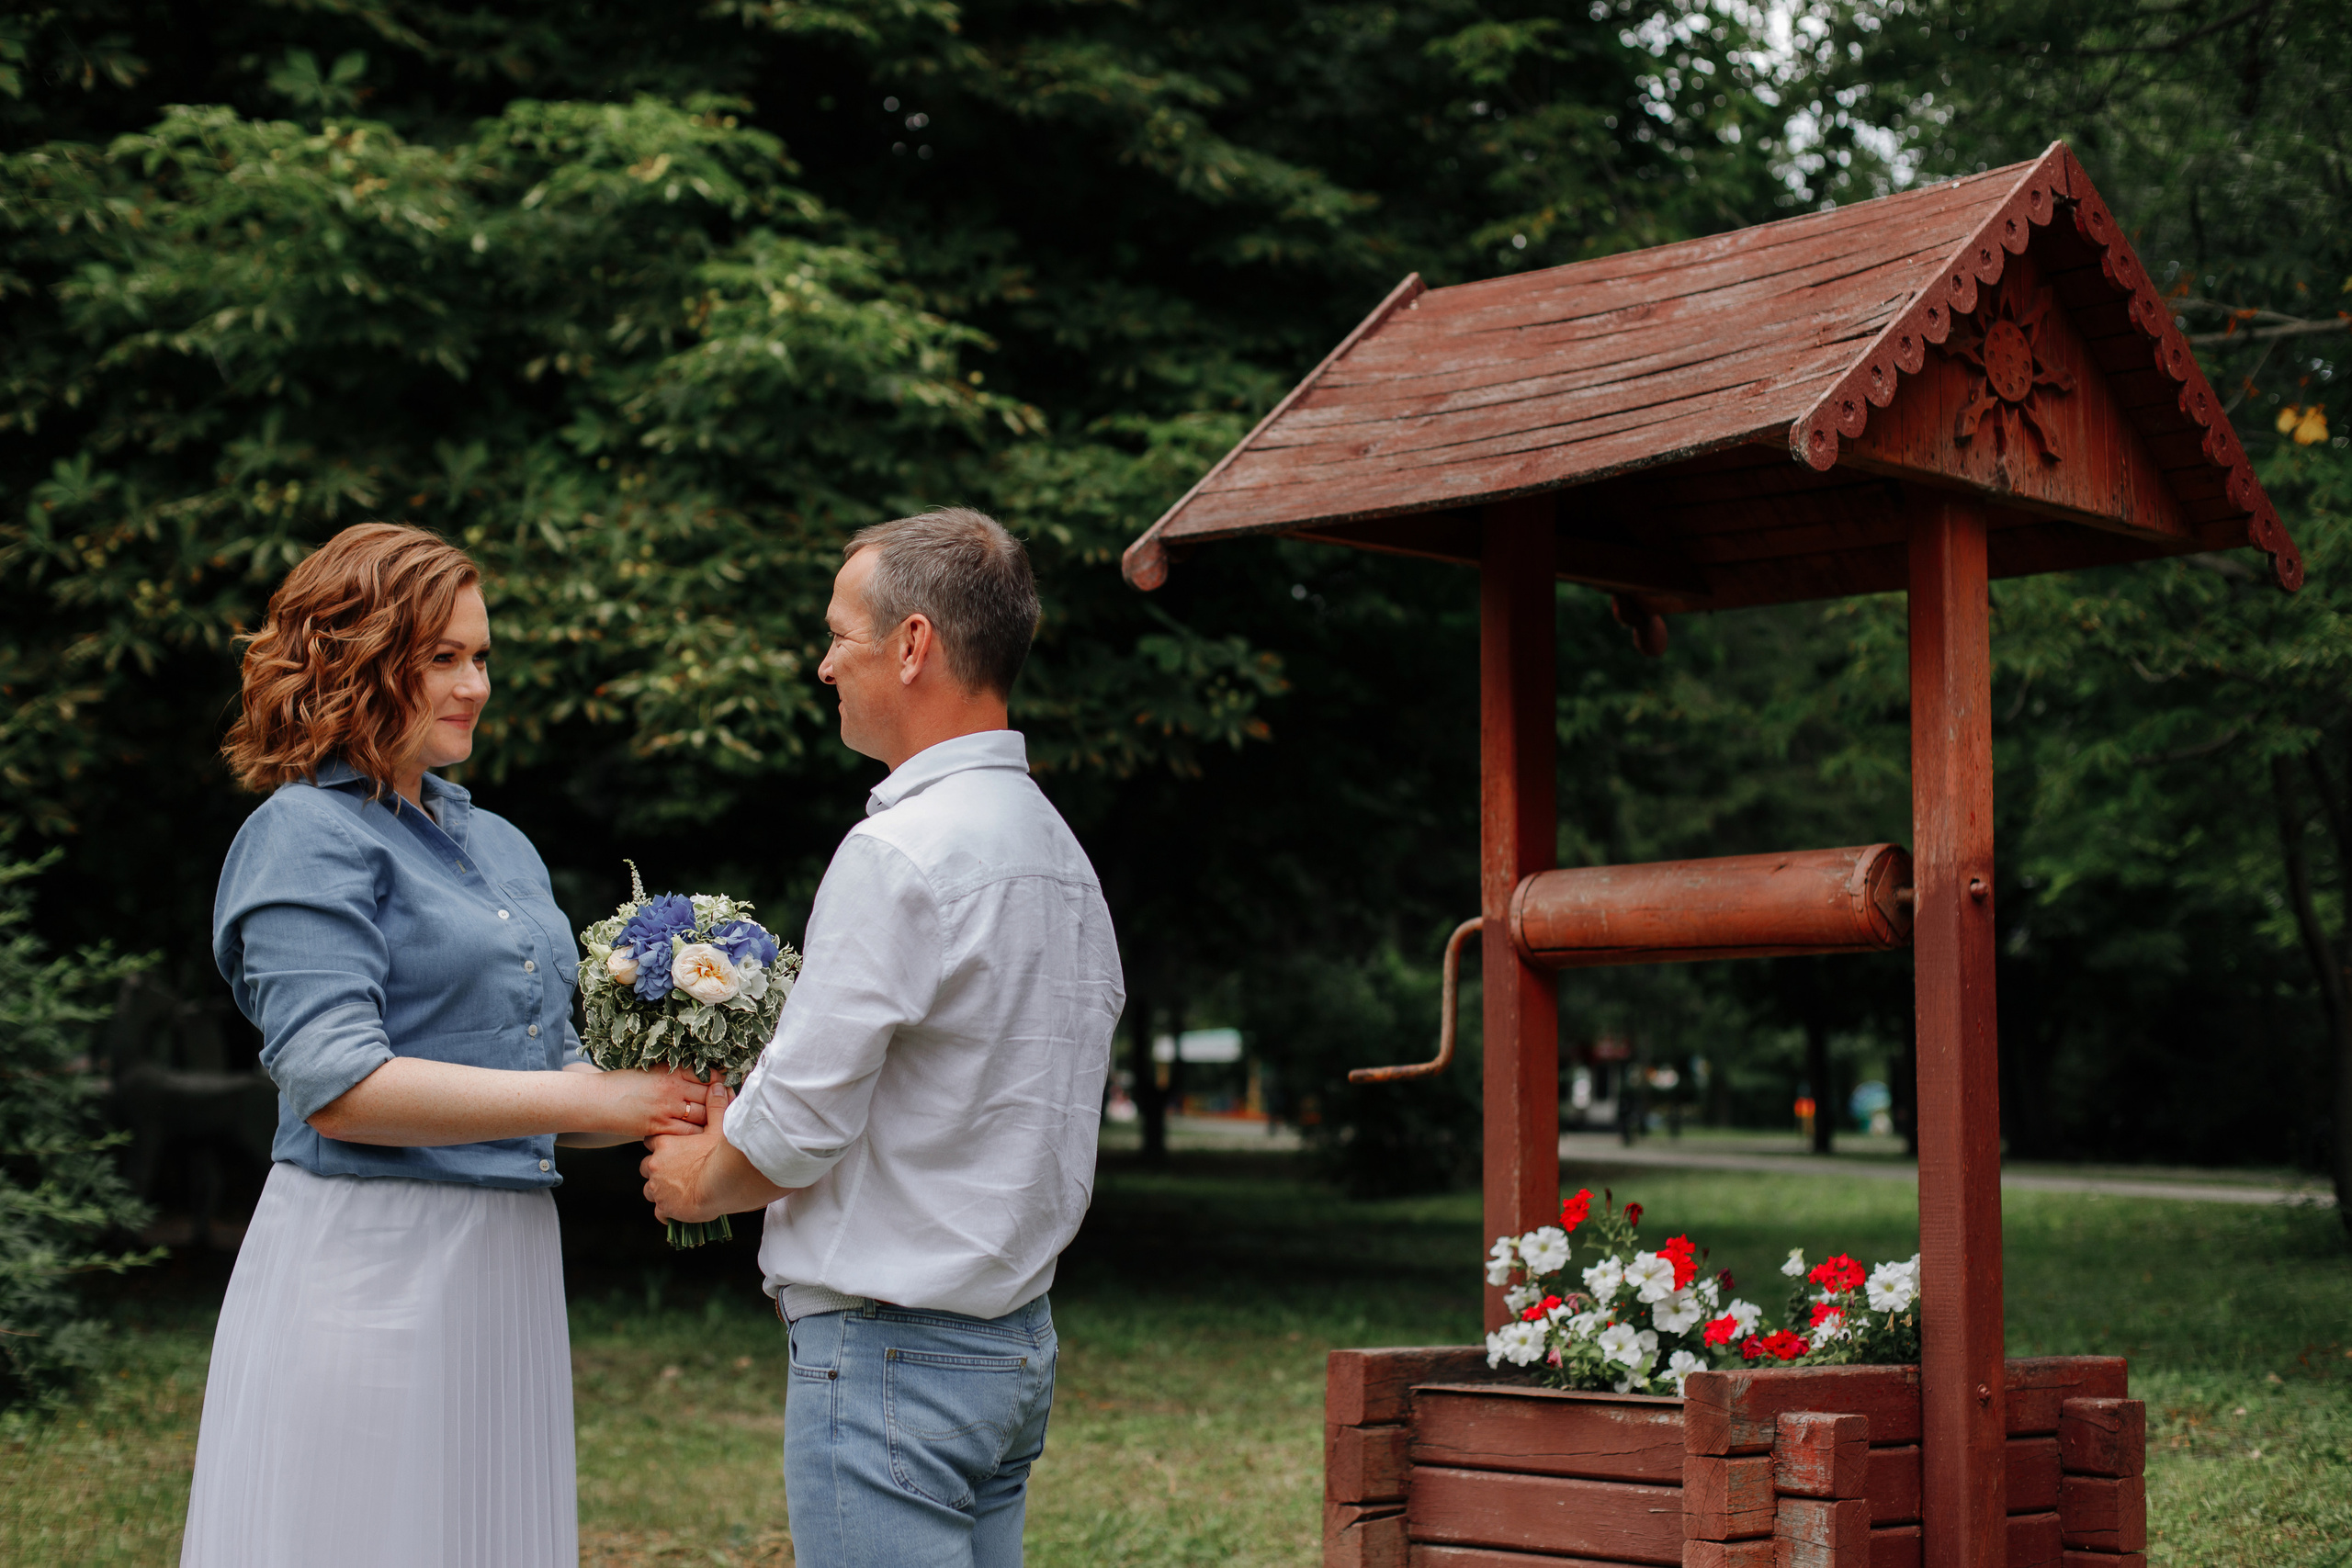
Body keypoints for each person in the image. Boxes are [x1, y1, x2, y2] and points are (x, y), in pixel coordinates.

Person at [182, 523, 712, 1568]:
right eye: (442, 658)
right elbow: (339, 1084)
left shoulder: (500, 843)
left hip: (504, 1256)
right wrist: (589, 1105)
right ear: (359, 658)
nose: (473, 685)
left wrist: (667, 1094)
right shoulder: (303, 833)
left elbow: (547, 1064)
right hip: (370, 1258)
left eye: (481, 657)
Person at [639, 507, 1124, 1568]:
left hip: (890, 1349)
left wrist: (697, 1180)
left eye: (839, 636)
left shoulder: (900, 852)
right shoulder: (1060, 855)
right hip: (1013, 1345)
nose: (824, 667)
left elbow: (800, 1125)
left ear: (912, 645)